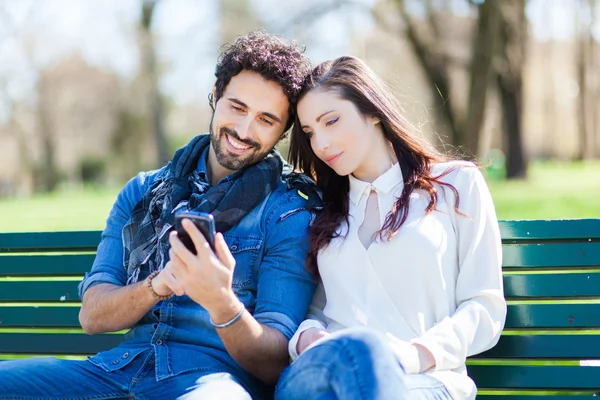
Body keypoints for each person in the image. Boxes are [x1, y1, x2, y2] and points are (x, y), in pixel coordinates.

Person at [0, 31, 321, 400]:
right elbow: (92, 316)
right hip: (117, 369)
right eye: (237, 107)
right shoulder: (144, 191)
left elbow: (274, 362)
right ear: (215, 96)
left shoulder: (287, 213)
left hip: (209, 382)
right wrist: (159, 284)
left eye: (266, 119)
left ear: (283, 130)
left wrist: (221, 301)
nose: (245, 130)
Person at [274, 56, 507, 400]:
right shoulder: (326, 210)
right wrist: (307, 337)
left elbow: (484, 306)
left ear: (372, 111)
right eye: (309, 133)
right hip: (330, 379)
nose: (320, 143)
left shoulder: (456, 186)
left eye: (331, 121)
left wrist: (415, 354)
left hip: (425, 381)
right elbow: (320, 310)